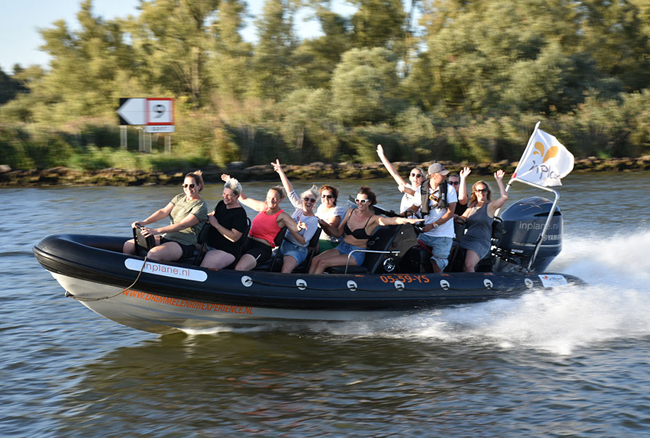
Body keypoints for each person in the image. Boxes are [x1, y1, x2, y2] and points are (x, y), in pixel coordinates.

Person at [309, 186, 423, 274]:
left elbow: (392, 221)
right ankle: (307, 285)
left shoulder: (372, 219)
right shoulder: (351, 212)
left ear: (369, 202)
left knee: (323, 263)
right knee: (315, 260)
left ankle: (313, 289)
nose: (359, 203)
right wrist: (325, 225)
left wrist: (408, 221)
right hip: (342, 247)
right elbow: (338, 233)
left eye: (363, 201)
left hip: (355, 253)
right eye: (357, 200)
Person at [223, 175, 307, 271]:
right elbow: (243, 199)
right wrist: (231, 182)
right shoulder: (263, 207)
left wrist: (299, 226)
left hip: (261, 248)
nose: (271, 201)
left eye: (274, 199)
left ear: (280, 200)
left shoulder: (282, 216)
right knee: (227, 257)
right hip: (247, 242)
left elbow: (295, 227)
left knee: (239, 268)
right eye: (269, 197)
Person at [124, 171, 208, 262]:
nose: (188, 188)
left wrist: (155, 231)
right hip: (167, 237)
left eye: (191, 185)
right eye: (185, 185)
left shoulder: (201, 206)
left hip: (184, 243)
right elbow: (163, 211)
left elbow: (182, 225)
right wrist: (144, 222)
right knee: (128, 245)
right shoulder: (179, 197)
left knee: (153, 254)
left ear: (199, 186)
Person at [271, 160, 320, 273]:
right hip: (283, 243)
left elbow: (303, 241)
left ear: (315, 203)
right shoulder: (299, 207)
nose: (308, 202)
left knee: (285, 270)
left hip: (296, 249)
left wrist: (290, 226)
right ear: (302, 199)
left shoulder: (312, 220)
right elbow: (290, 191)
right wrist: (280, 172)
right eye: (306, 199)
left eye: (312, 200)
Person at [458, 170, 508, 272]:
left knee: (468, 265)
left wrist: (499, 180)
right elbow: (462, 218)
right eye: (478, 190)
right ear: (475, 192)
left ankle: (472, 286)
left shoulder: (490, 206)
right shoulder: (472, 205)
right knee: (451, 251)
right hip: (467, 239)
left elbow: (504, 197)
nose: (481, 193)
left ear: (487, 192)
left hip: (480, 241)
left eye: (484, 190)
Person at [411, 163, 458, 273]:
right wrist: (400, 217)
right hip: (424, 234)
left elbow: (450, 213)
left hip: (443, 236)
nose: (445, 176)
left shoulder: (449, 189)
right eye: (442, 174)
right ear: (432, 175)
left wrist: (433, 225)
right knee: (415, 259)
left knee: (436, 265)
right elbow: (414, 207)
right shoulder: (421, 189)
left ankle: (439, 285)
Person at [200, 177, 248, 270]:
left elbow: (234, 237)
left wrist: (216, 224)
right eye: (224, 193)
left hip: (226, 250)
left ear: (237, 196)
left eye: (228, 195)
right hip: (209, 244)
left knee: (204, 269)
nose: (225, 197)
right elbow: (214, 215)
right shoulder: (221, 204)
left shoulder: (240, 214)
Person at [376, 144, 424, 216]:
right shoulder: (407, 186)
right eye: (413, 175)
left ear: (423, 178)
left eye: (418, 176)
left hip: (414, 223)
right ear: (410, 177)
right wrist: (382, 156)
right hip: (403, 220)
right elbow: (394, 173)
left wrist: (405, 189)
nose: (415, 178)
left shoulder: (422, 191)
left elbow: (413, 193)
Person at [315, 184, 346, 252]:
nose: (326, 199)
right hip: (318, 239)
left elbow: (330, 229)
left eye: (329, 196)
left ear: (334, 199)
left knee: (309, 246)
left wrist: (322, 223)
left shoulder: (337, 210)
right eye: (323, 196)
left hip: (331, 242)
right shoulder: (321, 207)